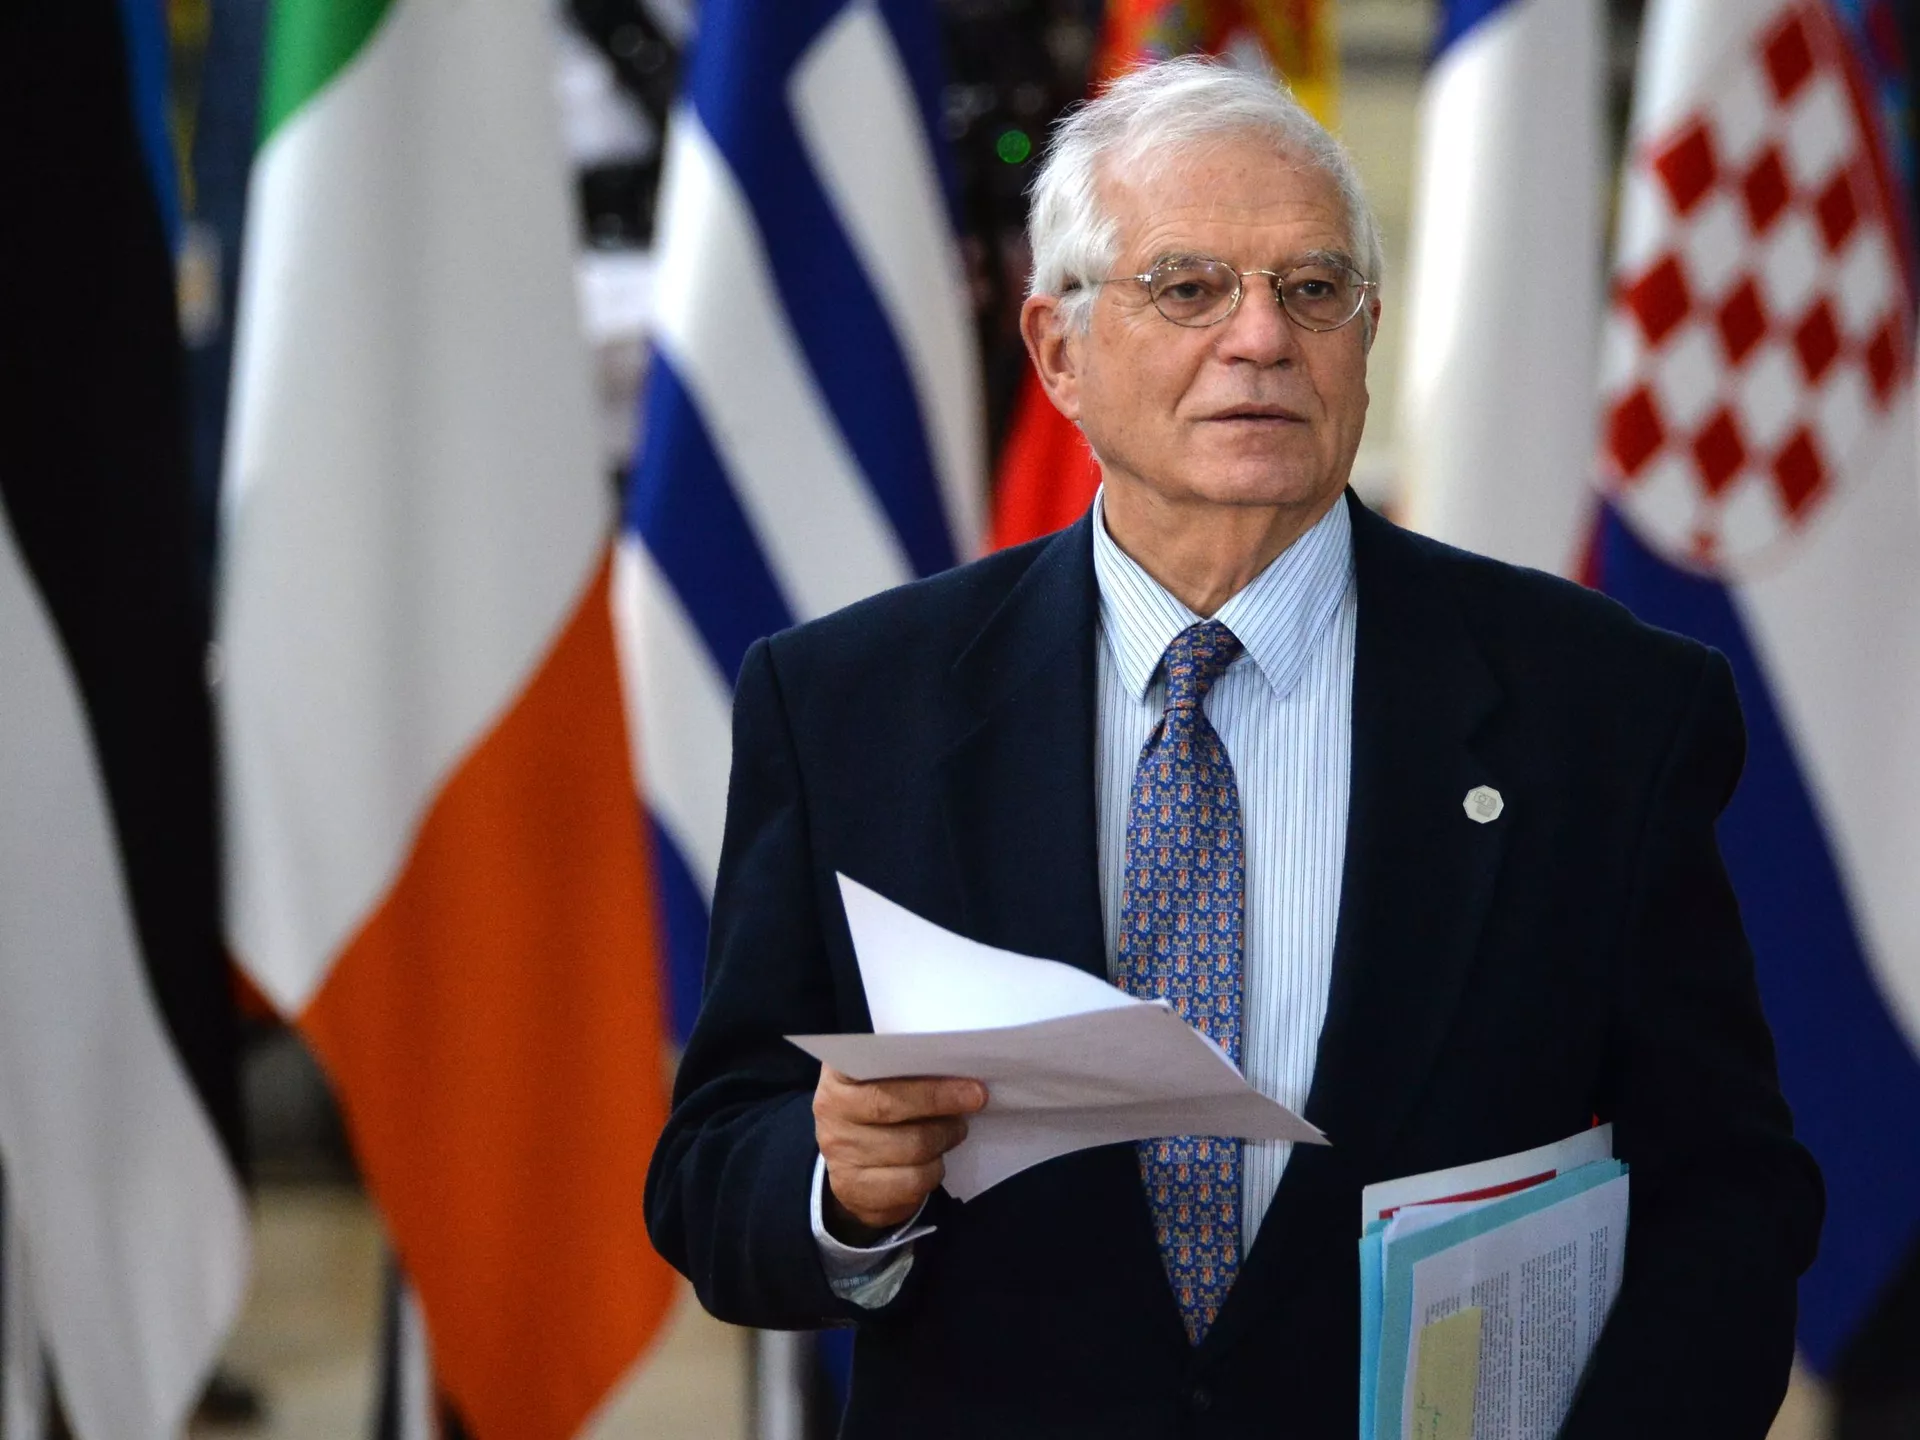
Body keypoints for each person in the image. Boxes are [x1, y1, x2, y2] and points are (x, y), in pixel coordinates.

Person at [644, 57, 1823, 1438]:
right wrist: (840, 1190)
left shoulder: (1608, 708)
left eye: (1313, 289)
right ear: (1059, 352)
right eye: (1188, 287)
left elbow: (1725, 1199)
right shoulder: (847, 704)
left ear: (1367, 336)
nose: (1260, 337)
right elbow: (714, 1171)